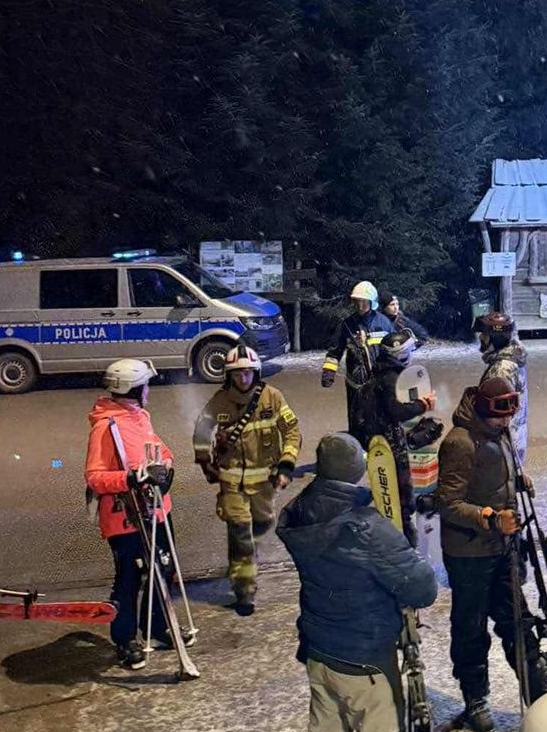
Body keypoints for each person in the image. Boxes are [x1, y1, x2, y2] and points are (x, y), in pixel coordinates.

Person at [276, 433, 437, 732]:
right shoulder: (366, 528)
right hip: (366, 658)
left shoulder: (301, 515)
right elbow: (422, 587)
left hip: (321, 652)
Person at [437, 373, 547, 732]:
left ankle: (538, 692)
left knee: (517, 616)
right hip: (469, 553)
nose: (509, 421)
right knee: (470, 627)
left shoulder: (498, 432)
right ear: (487, 410)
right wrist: (488, 518)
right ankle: (475, 697)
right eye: (503, 414)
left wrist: (518, 480)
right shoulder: (460, 443)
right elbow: (448, 503)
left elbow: (496, 476)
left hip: (504, 547)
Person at [193, 343, 301, 616]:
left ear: (256, 372)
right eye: (238, 374)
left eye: (248, 373)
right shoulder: (219, 401)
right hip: (231, 483)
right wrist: (206, 462)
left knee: (261, 527)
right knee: (241, 533)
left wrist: (286, 466)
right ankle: (245, 591)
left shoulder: (272, 397)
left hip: (265, 482)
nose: (243, 378)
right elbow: (201, 433)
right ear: (229, 375)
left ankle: (244, 563)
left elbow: (292, 431)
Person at [84, 358, 177, 670]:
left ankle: (157, 625)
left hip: (156, 509)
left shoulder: (140, 417)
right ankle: (125, 639)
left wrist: (165, 465)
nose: (148, 390)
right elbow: (94, 477)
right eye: (145, 386)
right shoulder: (105, 427)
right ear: (134, 389)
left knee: (162, 568)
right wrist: (131, 478)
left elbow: (157, 451)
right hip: (125, 516)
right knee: (130, 577)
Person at [360, 329, 438, 544]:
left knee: (398, 495)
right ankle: (405, 539)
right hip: (390, 444)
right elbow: (397, 411)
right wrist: (422, 405)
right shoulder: (390, 378)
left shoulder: (381, 372)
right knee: (401, 496)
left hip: (383, 440)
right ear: (401, 354)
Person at [320, 280, 395, 433]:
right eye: (357, 302)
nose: (359, 306)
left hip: (379, 382)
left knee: (380, 421)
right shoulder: (347, 325)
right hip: (356, 385)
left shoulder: (384, 324)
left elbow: (394, 352)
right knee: (357, 422)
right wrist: (329, 372)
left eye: (363, 302)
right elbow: (335, 352)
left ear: (371, 302)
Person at [474, 310, 529, 464]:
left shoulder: (501, 370)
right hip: (513, 439)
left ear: (495, 339)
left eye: (484, 335)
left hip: (503, 443)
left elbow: (493, 414)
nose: (481, 339)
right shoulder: (511, 360)